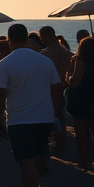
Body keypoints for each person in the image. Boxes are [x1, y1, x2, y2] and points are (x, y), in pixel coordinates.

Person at [0, 23, 63, 187]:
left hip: (20, 119)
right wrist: (55, 111)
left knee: (26, 163)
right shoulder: (44, 61)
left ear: (9, 39)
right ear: (27, 38)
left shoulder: (6, 63)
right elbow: (57, 87)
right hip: (44, 117)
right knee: (40, 157)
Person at [65, 36, 94, 174]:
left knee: (81, 133)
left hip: (81, 99)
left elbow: (75, 82)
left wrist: (68, 78)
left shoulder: (79, 61)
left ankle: (83, 162)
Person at [39, 25, 71, 153]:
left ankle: (54, 142)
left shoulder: (45, 54)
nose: (41, 40)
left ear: (46, 37)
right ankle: (61, 142)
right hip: (64, 87)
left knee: (49, 116)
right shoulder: (68, 53)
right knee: (60, 116)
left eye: (41, 37)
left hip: (51, 88)